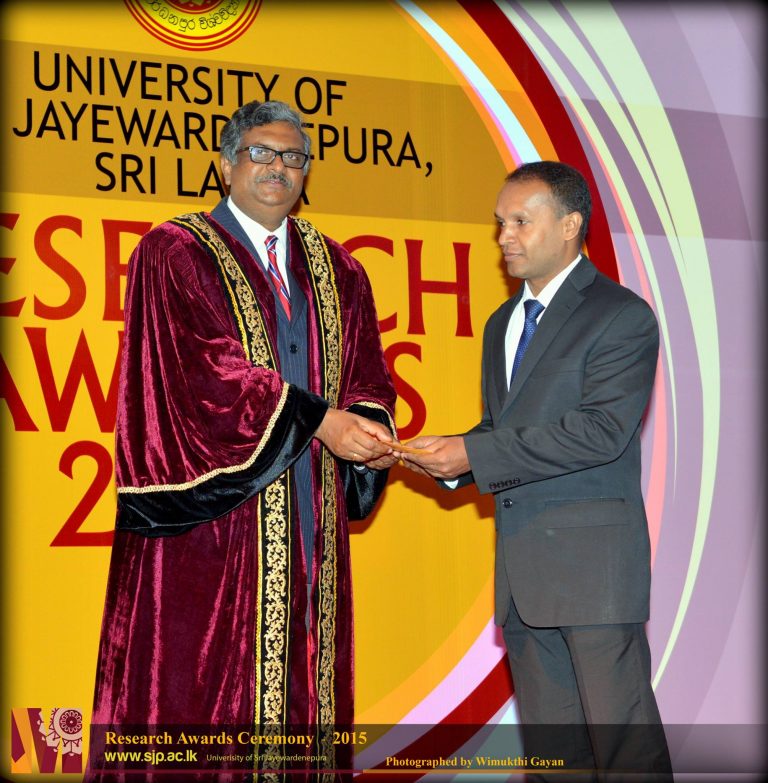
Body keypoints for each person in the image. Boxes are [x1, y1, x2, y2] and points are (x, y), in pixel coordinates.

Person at [89, 101, 397, 780]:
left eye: (293, 157)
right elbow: (203, 373)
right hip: (209, 527)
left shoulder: (340, 269)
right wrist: (321, 420)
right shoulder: (173, 251)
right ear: (226, 165)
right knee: (196, 701)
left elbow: (368, 374)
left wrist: (369, 426)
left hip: (310, 519)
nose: (277, 167)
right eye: (261, 153)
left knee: (306, 696)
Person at [400, 162, 672, 781]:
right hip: (523, 577)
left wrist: (475, 454)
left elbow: (601, 432)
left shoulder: (621, 315)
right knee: (554, 765)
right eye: (500, 222)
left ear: (570, 225)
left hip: (595, 574)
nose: (504, 237)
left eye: (521, 221)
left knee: (628, 758)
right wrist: (446, 457)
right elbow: (503, 428)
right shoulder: (502, 322)